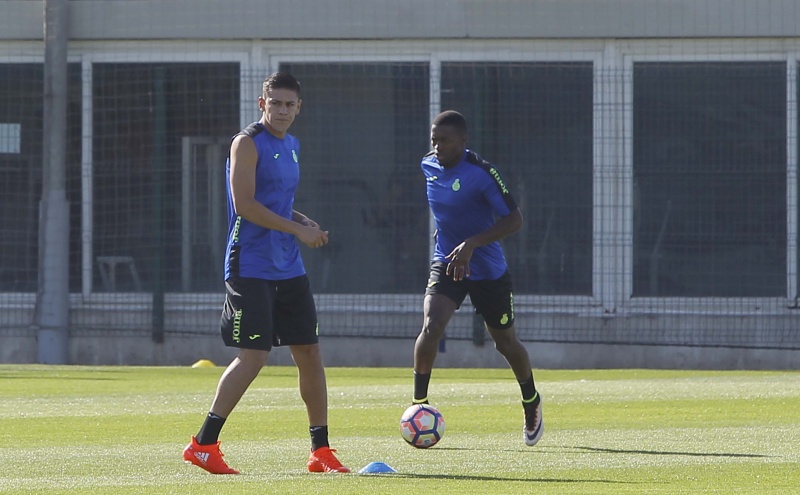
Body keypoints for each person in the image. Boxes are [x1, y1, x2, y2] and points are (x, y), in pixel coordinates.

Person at [183, 72, 349, 474]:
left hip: (288, 265)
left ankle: (320, 452)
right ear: (262, 104)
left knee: (309, 352)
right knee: (254, 356)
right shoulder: (247, 142)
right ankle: (203, 444)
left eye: (290, 104)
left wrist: (301, 221)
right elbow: (245, 205)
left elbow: (275, 202)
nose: (282, 110)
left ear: (299, 108)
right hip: (251, 265)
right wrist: (297, 230)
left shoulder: (292, 145)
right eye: (275, 103)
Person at [411, 110, 543, 447]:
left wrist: (472, 243)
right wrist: (448, 235)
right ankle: (419, 406)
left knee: (505, 343)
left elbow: (514, 219)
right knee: (431, 325)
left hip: (487, 270)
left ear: (463, 141)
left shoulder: (482, 173)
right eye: (434, 140)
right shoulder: (428, 165)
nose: (438, 147)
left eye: (445, 141)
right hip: (447, 262)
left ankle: (531, 401)